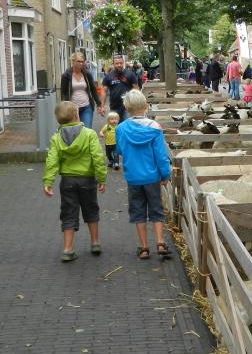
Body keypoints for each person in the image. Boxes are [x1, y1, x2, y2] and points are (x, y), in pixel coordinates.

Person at [42, 101, 107, 262]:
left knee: (68, 212)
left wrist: (48, 181)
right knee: (91, 209)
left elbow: (52, 161)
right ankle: (95, 242)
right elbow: (98, 157)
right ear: (77, 115)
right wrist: (101, 178)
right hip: (87, 179)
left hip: (68, 181)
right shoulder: (90, 134)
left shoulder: (56, 138)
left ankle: (68, 249)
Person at [116, 90, 172, 260]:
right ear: (146, 106)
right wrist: (165, 174)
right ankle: (161, 242)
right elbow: (161, 155)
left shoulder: (121, 128)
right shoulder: (155, 128)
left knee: (137, 210)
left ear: (126, 107)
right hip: (152, 176)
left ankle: (144, 247)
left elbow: (119, 150)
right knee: (156, 208)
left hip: (133, 176)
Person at [60, 51, 100, 129]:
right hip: (72, 108)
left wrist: (98, 104)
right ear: (73, 61)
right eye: (78, 61)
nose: (81, 64)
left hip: (86, 106)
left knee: (87, 130)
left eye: (82, 61)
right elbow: (63, 92)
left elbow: (93, 89)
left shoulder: (87, 74)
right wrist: (64, 106)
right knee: (74, 131)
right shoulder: (66, 75)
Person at [99, 55, 139, 122]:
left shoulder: (130, 74)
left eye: (121, 63)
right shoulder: (109, 76)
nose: (119, 65)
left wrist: (137, 104)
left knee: (126, 127)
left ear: (123, 63)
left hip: (127, 106)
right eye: (117, 63)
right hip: (114, 107)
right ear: (113, 64)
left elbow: (136, 89)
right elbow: (104, 91)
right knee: (114, 128)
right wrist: (102, 106)